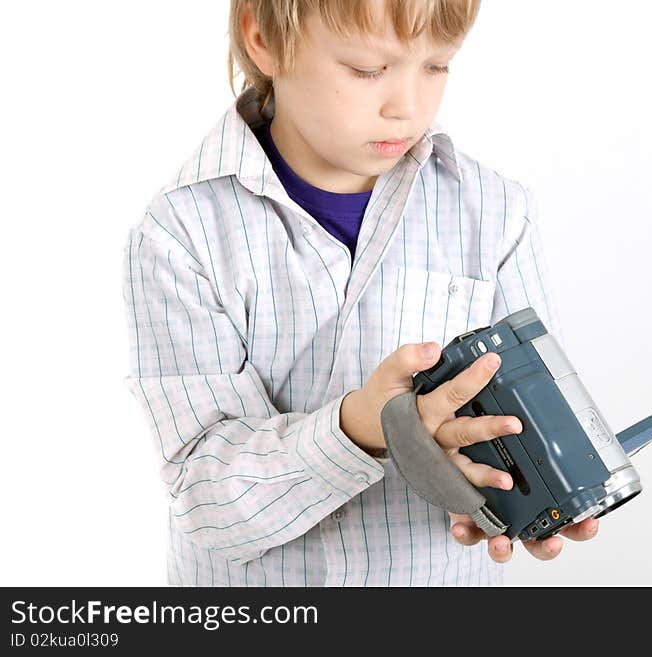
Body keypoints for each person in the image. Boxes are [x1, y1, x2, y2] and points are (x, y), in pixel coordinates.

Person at [121, 0, 599, 587]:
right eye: (368, 70)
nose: (407, 107)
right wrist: (359, 428)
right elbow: (207, 499)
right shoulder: (180, 235)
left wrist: (530, 493)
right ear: (264, 41)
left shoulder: (495, 211)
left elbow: (529, 416)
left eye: (436, 67)